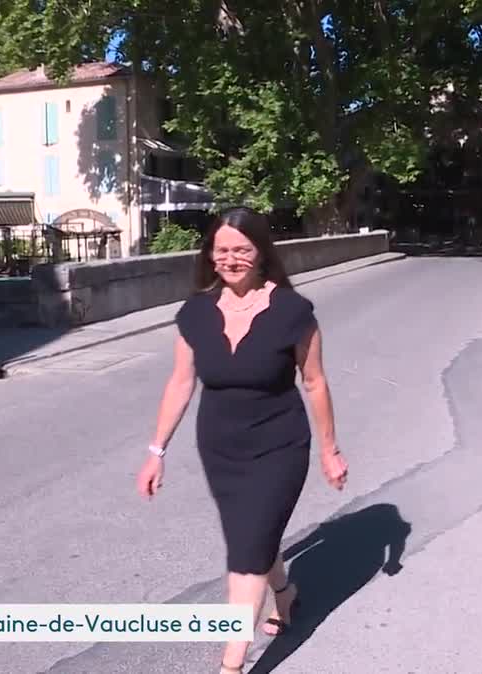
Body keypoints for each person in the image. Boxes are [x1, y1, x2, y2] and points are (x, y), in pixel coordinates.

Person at [136, 207, 349, 674]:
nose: (231, 259)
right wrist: (157, 452)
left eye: (242, 250)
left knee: (248, 548)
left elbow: (314, 382)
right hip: (220, 448)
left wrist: (330, 451)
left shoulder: (293, 311)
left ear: (260, 253)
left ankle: (231, 663)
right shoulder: (194, 314)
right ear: (211, 256)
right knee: (252, 535)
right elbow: (179, 383)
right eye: (222, 250)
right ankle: (285, 594)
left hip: (280, 444)